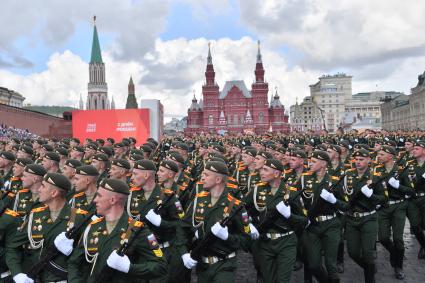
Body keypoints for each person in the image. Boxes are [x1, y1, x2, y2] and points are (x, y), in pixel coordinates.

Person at [68, 178, 167, 282]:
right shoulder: (92, 227)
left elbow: (161, 266)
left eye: (100, 195)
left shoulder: (137, 230)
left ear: (112, 200)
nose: (95, 200)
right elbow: (74, 263)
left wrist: (130, 268)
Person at [175, 161, 251, 283]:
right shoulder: (198, 200)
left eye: (206, 174)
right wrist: (184, 253)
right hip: (202, 265)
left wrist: (227, 237)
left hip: (225, 265)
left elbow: (247, 242)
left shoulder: (235, 206)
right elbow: (182, 228)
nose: (202, 177)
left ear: (218, 179)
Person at [6, 172, 85, 282]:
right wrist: (17, 274)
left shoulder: (78, 218)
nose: (39, 190)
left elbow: (83, 261)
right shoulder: (35, 215)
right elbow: (12, 247)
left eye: (43, 186)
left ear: (54, 193)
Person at [248, 158, 306, 282]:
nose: (261, 172)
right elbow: (241, 209)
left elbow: (304, 221)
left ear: (276, 174)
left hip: (286, 241)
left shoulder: (291, 192)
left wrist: (289, 216)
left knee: (283, 280)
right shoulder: (258, 190)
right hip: (265, 242)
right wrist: (248, 224)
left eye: (265, 170)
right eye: (262, 169)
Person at [303, 151, 346, 283]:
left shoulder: (333, 181)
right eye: (310, 160)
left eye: (314, 161)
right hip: (312, 225)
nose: (310, 163)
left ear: (323, 164)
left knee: (330, 264)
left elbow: (345, 206)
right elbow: (294, 200)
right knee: (314, 264)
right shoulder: (305, 180)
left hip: (330, 224)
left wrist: (334, 201)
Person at [344, 149, 386, 283]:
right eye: (356, 159)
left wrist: (371, 196)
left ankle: (370, 278)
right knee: (353, 252)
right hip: (351, 218)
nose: (358, 162)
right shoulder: (347, 174)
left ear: (369, 160)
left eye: (361, 159)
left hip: (368, 218)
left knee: (368, 254)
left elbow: (384, 200)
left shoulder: (375, 177)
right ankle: (369, 268)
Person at [376, 145, 414, 279]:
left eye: (381, 154)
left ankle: (399, 266)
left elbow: (410, 191)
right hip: (383, 207)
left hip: (398, 206)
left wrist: (398, 186)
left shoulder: (401, 170)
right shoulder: (376, 170)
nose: (379, 156)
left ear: (390, 156)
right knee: (383, 238)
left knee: (398, 239)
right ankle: (394, 253)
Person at [407, 140, 425, 259]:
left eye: (417, 148)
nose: (414, 150)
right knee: (414, 225)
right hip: (413, 198)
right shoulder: (409, 164)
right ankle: (423, 244)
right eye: (414, 148)